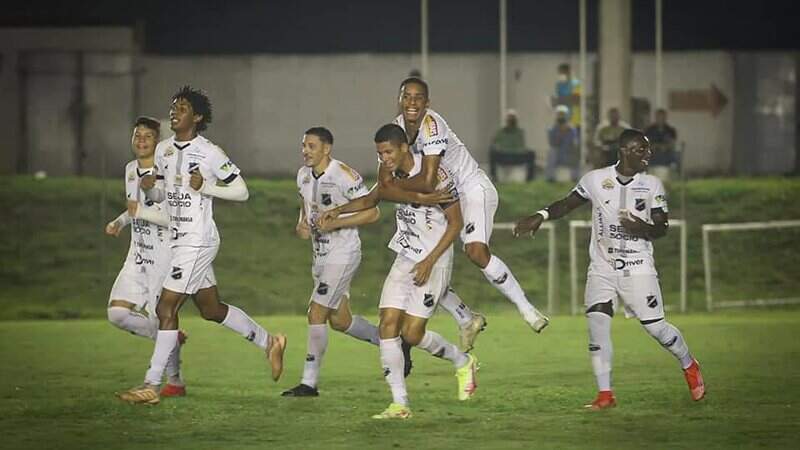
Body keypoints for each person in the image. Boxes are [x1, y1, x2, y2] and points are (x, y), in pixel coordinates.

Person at [513, 129, 706, 409]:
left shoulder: (652, 185)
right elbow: (567, 204)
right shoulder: (595, 180)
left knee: (657, 329)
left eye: (648, 150)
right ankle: (605, 394)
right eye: (641, 150)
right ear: (625, 151)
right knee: (597, 324)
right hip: (602, 268)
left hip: (639, 268)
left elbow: (662, 227)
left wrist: (640, 227)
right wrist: (540, 215)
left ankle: (689, 364)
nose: (648, 155)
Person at [117, 86, 286, 405]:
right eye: (172, 107)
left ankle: (152, 385)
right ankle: (270, 342)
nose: (174, 112)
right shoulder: (164, 150)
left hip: (198, 240)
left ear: (196, 117)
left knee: (165, 308)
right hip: (179, 239)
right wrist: (151, 189)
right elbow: (163, 197)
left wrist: (206, 186)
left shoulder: (209, 152)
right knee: (211, 309)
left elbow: (241, 191)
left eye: (181, 108)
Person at [322, 124, 478, 419]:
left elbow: (455, 224)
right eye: (380, 153)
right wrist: (339, 210)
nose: (384, 158)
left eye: (389, 152)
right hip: (406, 256)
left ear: (405, 147)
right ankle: (399, 404)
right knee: (387, 323)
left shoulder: (437, 175)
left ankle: (462, 362)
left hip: (435, 258)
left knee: (413, 333)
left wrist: (430, 261)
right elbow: (373, 198)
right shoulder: (389, 173)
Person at [377, 77, 549, 335]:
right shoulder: (394, 130)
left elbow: (426, 181)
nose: (412, 102)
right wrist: (390, 190)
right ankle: (466, 318)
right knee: (423, 257)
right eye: (407, 97)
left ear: (427, 102)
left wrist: (394, 191)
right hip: (442, 196)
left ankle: (526, 309)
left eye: (418, 97)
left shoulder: (432, 126)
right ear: (399, 100)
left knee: (476, 251)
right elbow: (384, 182)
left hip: (470, 188)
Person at [281, 127, 388, 397]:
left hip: (344, 253)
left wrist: (337, 222)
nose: (305, 151)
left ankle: (309, 383)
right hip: (320, 255)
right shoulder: (303, 175)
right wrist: (302, 225)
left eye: (312, 146)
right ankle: (389, 341)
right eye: (303, 145)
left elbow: (372, 213)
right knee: (340, 321)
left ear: (326, 148)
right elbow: (305, 209)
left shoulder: (343, 175)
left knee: (315, 312)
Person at [105, 116, 186, 398]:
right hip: (137, 254)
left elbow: (174, 219)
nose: (140, 140)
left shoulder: (168, 171)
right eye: (137, 135)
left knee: (163, 317)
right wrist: (119, 222)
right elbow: (134, 208)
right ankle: (167, 338)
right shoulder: (130, 170)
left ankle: (174, 381)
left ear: (158, 141)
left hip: (163, 258)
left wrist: (137, 213)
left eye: (147, 136)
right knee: (117, 313)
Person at [489, 109, 535, 181]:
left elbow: (521, 146)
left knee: (531, 153)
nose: (511, 120)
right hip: (504, 155)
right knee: (492, 152)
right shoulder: (501, 132)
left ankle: (529, 178)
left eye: (512, 118)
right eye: (509, 118)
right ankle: (494, 176)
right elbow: (493, 142)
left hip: (517, 156)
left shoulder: (520, 132)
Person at [546, 105, 580, 181]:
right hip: (557, 153)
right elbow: (552, 143)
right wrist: (561, 133)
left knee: (576, 154)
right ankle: (550, 177)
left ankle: (575, 178)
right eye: (559, 114)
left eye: (563, 114)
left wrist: (567, 131)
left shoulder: (572, 129)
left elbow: (574, 142)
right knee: (551, 153)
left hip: (568, 152)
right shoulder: (552, 129)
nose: (561, 117)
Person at [553, 63, 582, 130]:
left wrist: (560, 100)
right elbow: (559, 102)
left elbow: (576, 99)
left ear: (568, 72)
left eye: (562, 73)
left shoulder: (575, 83)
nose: (560, 75)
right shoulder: (559, 85)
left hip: (574, 120)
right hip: (563, 120)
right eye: (559, 73)